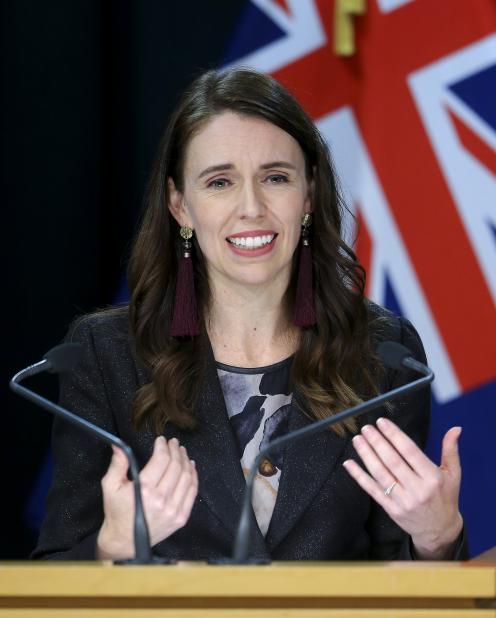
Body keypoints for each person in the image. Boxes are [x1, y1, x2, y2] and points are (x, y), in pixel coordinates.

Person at [33, 68, 465, 563]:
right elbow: (54, 574)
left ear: (308, 195)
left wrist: (438, 539)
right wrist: (114, 544)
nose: (251, 207)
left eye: (275, 178)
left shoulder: (383, 352)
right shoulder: (105, 353)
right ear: (180, 206)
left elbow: (402, 578)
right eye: (219, 182)